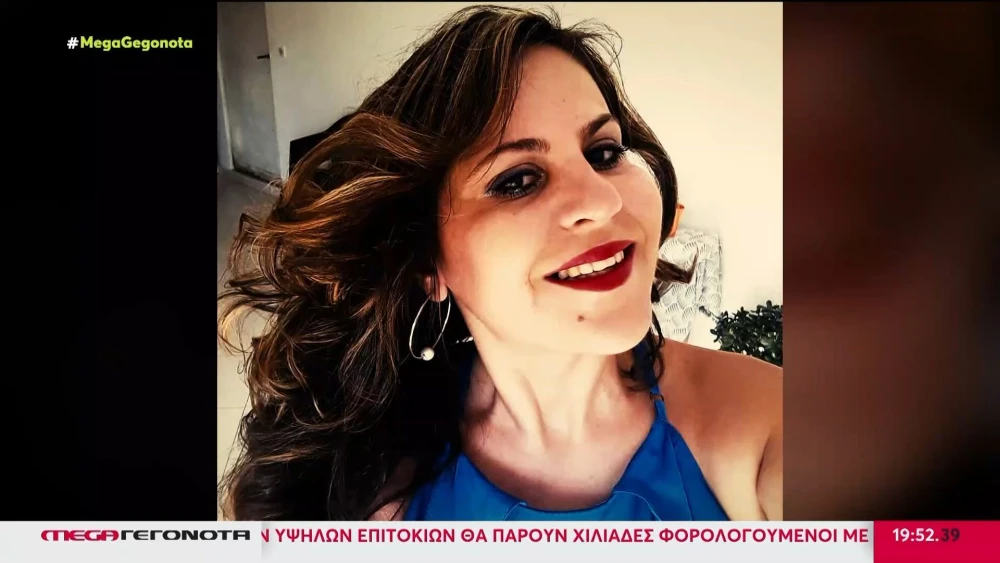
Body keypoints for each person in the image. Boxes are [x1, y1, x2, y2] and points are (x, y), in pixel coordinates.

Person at [218, 5, 782, 521]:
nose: (603, 200)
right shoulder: (368, 483)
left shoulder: (763, 430)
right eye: (517, 181)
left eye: (604, 153)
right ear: (427, 263)